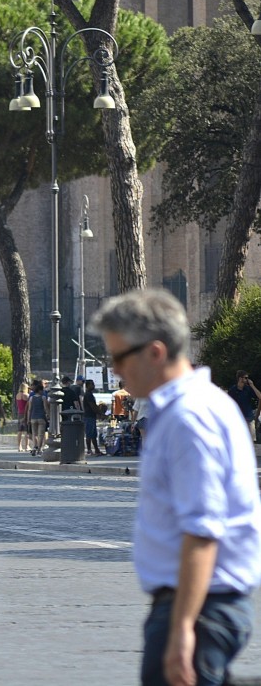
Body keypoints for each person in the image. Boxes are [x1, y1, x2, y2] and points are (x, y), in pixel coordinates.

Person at [91, 288, 261, 686]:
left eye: (119, 358)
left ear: (154, 353)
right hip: (202, 603)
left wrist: (183, 629)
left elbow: (202, 530)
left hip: (199, 607)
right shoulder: (192, 408)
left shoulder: (189, 419)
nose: (115, 370)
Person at [226, 371, 260, 441]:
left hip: (249, 418)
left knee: (251, 441)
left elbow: (260, 396)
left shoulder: (248, 389)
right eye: (246, 378)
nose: (247, 380)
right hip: (238, 419)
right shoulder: (233, 390)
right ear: (240, 379)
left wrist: (252, 385)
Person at [24, 379, 49, 456]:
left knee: (34, 434)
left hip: (33, 418)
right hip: (41, 418)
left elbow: (29, 409)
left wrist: (28, 419)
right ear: (40, 390)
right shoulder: (43, 398)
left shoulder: (31, 398)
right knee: (41, 435)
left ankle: (35, 447)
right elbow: (46, 408)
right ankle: (40, 449)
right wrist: (48, 416)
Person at [82, 378, 104, 456]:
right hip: (89, 416)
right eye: (92, 384)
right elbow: (93, 406)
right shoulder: (88, 395)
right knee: (89, 434)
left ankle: (97, 450)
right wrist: (99, 411)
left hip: (91, 416)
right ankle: (89, 450)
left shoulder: (90, 394)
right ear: (88, 386)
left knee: (93, 434)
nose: (94, 386)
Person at [15, 382, 31, 453]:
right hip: (25, 413)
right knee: (26, 431)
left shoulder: (17, 395)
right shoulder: (26, 395)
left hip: (19, 413)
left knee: (19, 431)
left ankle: (19, 446)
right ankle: (26, 446)